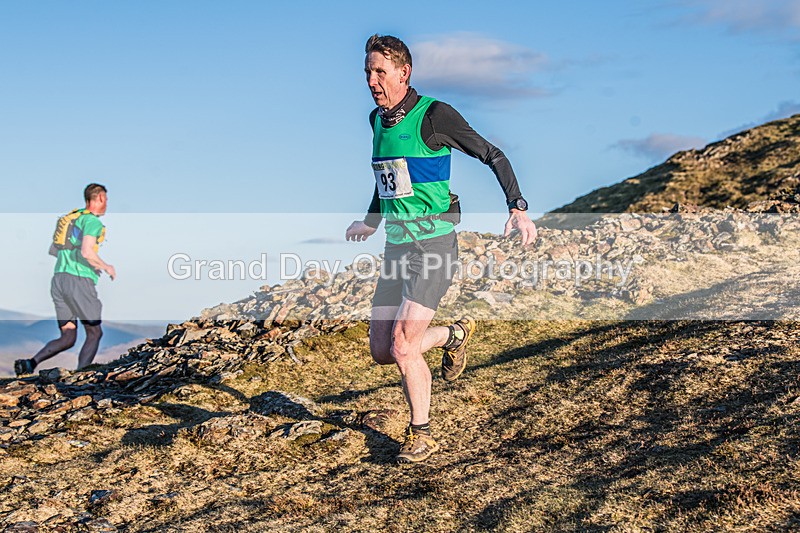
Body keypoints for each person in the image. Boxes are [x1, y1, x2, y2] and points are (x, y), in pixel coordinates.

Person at [345, 34, 537, 463]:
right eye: (367, 72)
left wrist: (517, 206)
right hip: (397, 248)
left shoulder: (434, 116)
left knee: (402, 345)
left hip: (433, 244)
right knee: (381, 350)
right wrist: (371, 220)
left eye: (380, 71)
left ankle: (421, 433)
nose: (372, 81)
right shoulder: (376, 122)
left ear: (403, 73)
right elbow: (388, 178)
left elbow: (494, 154)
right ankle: (455, 335)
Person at [15, 183, 116, 376]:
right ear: (100, 198)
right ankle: (81, 376)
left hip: (59, 279)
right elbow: (87, 251)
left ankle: (30, 363)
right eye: (106, 200)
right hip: (78, 280)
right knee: (95, 333)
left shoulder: (71, 219)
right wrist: (105, 266)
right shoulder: (91, 222)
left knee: (68, 336)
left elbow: (54, 251)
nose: (107, 204)